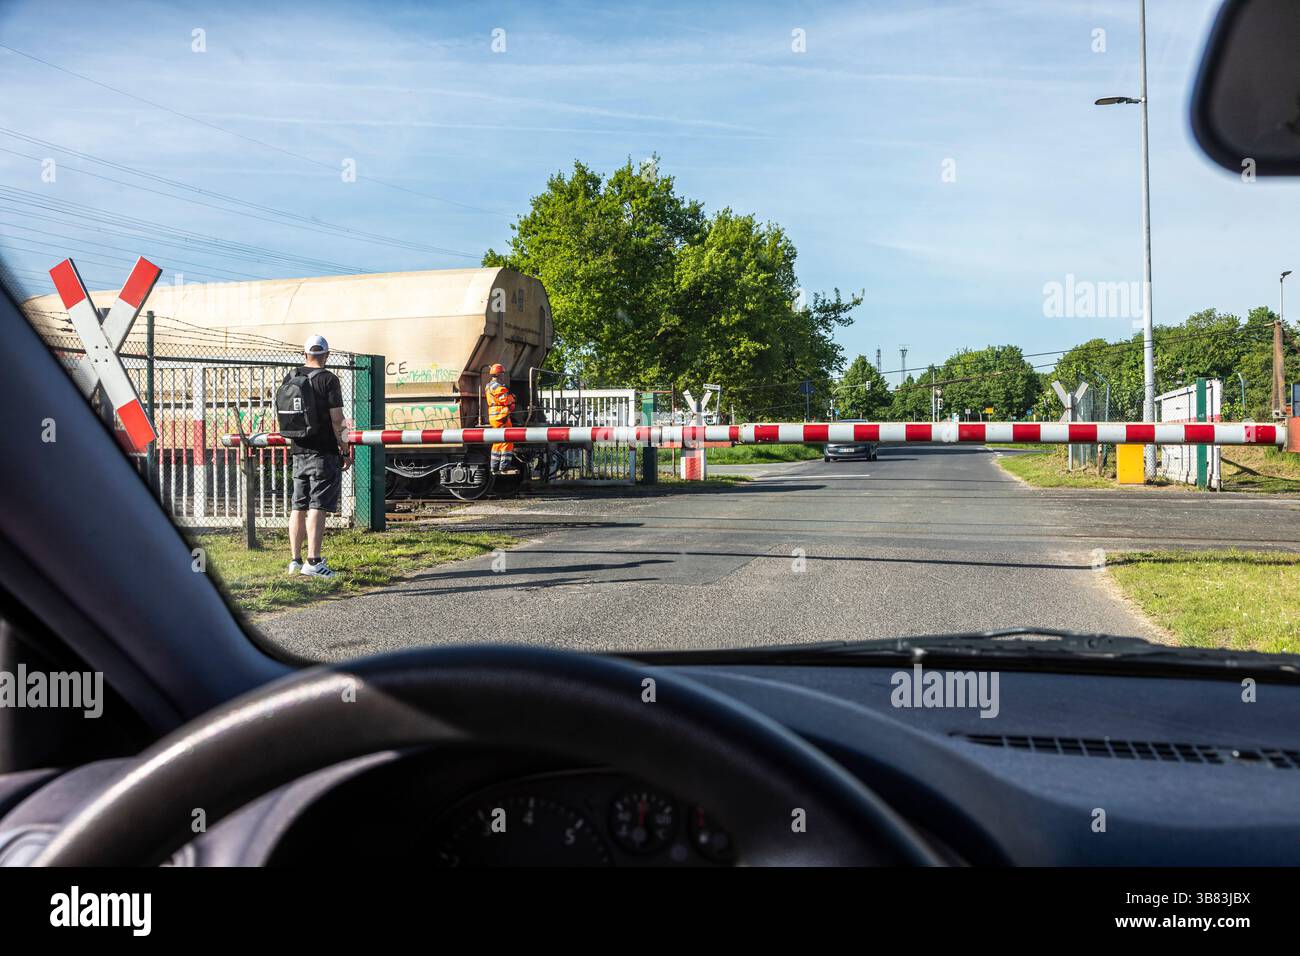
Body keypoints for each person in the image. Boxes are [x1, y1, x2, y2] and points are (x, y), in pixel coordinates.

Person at [287, 335, 352, 578]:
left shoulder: (292, 377)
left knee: (298, 505)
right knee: (317, 505)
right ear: (327, 354)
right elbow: (338, 419)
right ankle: (313, 562)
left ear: (304, 354)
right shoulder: (329, 379)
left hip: (298, 448)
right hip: (322, 451)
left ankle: (295, 561)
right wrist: (344, 448)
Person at [485, 362, 517, 473]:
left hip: (493, 415)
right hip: (501, 415)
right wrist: (512, 398)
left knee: (497, 441)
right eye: (502, 374)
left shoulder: (488, 386)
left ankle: (494, 466)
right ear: (498, 375)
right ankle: (504, 466)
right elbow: (505, 400)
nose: (503, 376)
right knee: (508, 438)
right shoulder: (499, 388)